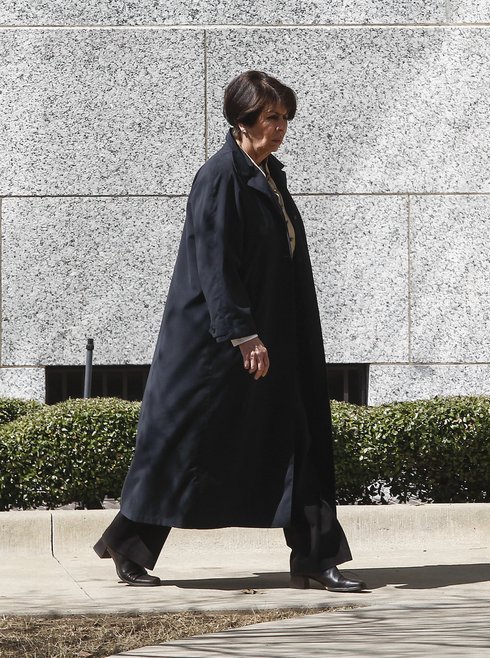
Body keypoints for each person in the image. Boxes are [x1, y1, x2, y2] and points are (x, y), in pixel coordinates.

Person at [93, 71, 366, 593]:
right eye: (271, 118)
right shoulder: (220, 176)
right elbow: (214, 263)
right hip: (216, 348)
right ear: (241, 122)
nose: (281, 128)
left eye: (285, 118)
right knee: (186, 445)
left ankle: (314, 555)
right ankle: (129, 544)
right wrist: (243, 334)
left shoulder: (269, 175)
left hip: (277, 339)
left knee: (300, 437)